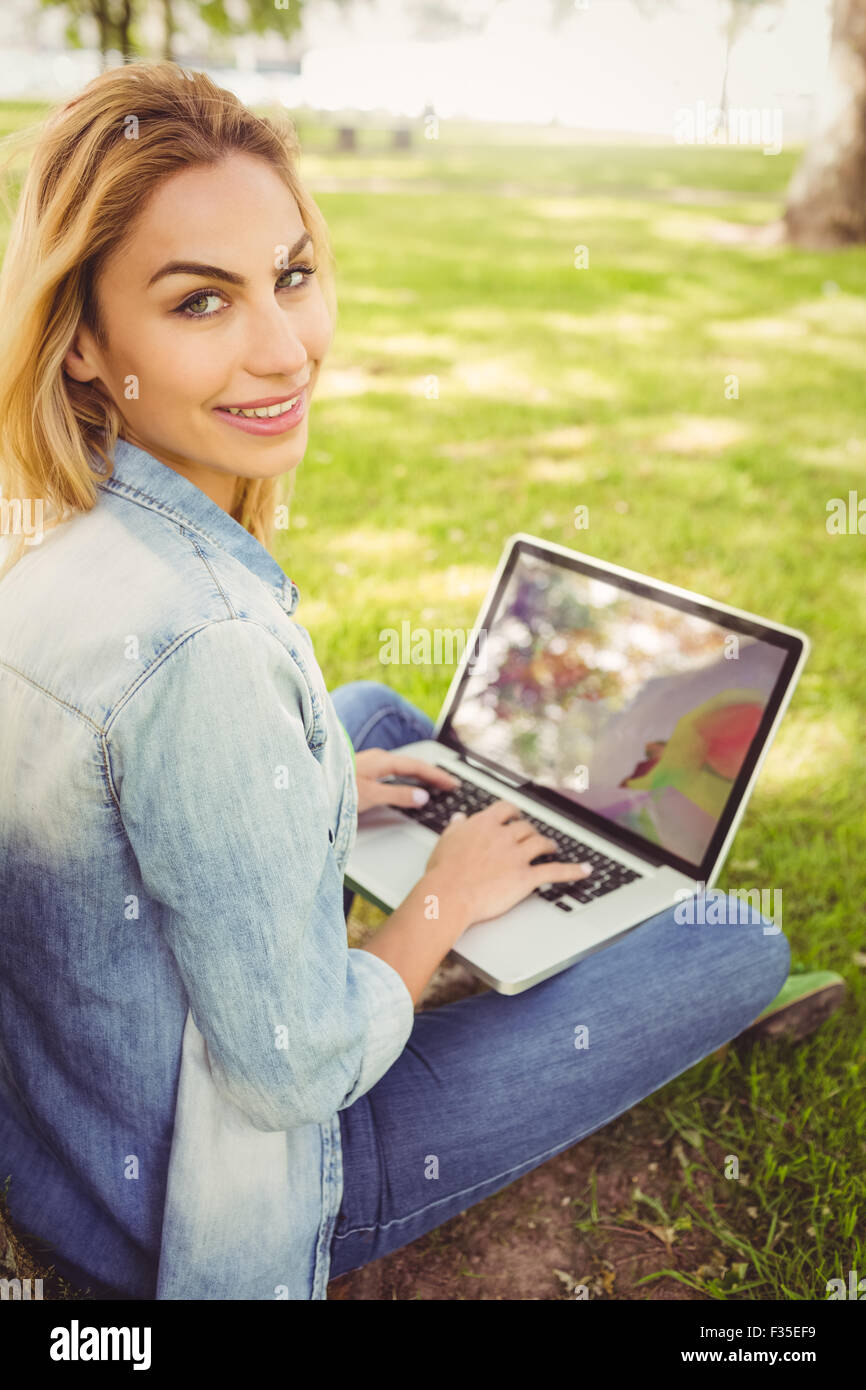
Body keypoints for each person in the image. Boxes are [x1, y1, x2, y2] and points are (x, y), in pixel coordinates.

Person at [0, 62, 841, 1302]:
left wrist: (316, 786)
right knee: (737, 941)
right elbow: (288, 1072)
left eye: (289, 275)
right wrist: (438, 909)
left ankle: (518, 877)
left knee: (378, 725)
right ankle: (527, 905)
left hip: (61, 1131)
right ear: (81, 343)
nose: (284, 348)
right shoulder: (209, 648)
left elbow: (118, 787)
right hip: (222, 1200)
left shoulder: (47, 533)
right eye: (199, 303)